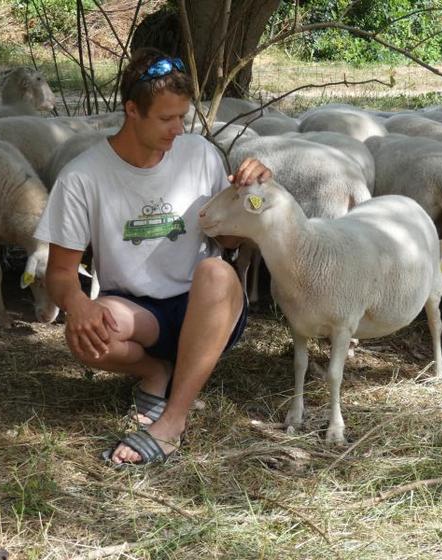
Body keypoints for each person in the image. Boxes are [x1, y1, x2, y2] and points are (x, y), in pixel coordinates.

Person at [34, 47, 272, 466]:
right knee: (83, 335)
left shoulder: (199, 153)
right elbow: (60, 273)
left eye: (182, 117)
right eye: (166, 119)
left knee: (216, 272)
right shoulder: (82, 176)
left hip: (207, 307)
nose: (178, 129)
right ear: (131, 111)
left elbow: (231, 242)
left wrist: (251, 194)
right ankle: (153, 371)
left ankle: (172, 420)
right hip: (137, 314)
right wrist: (76, 304)